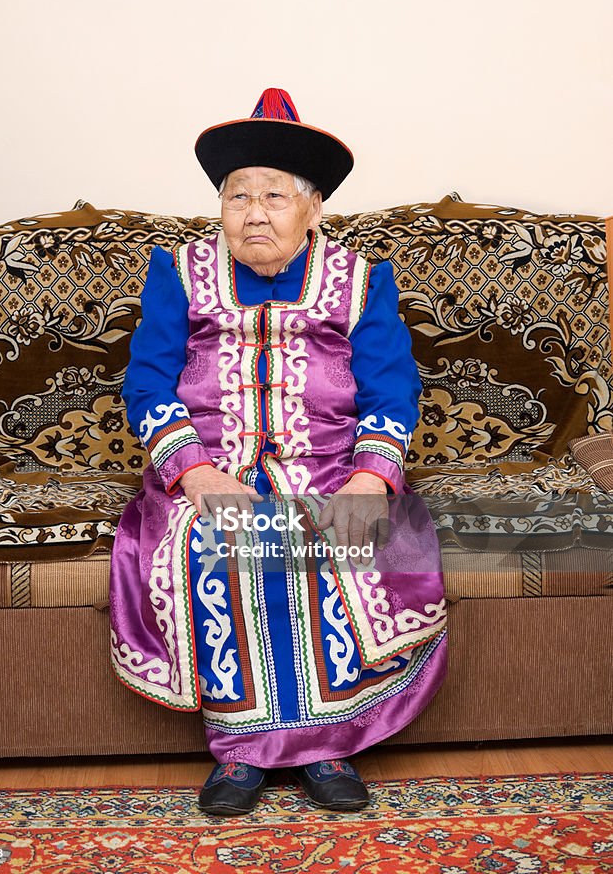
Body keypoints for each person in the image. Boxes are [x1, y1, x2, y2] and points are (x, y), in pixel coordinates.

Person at [109, 87, 447, 815]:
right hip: (207, 471)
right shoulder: (178, 273)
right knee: (225, 538)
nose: (254, 212)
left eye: (273, 195)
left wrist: (369, 480)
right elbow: (147, 382)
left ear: (314, 208)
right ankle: (238, 753)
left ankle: (329, 747)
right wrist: (194, 472)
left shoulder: (361, 281)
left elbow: (392, 394)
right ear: (220, 208)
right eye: (237, 197)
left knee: (331, 534)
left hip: (330, 469)